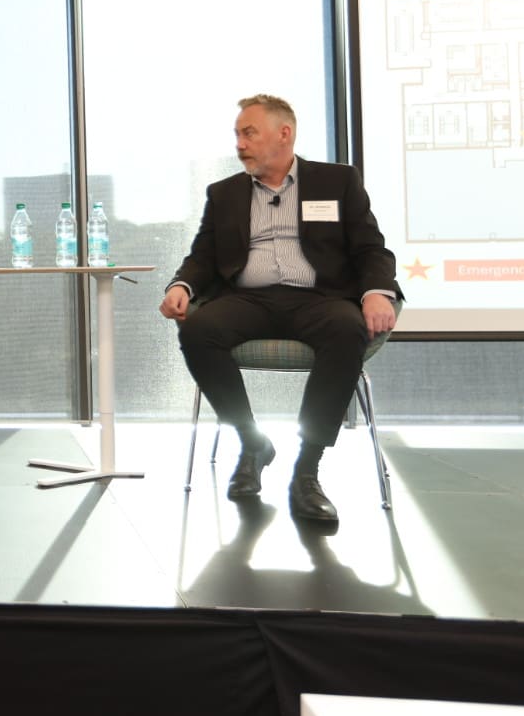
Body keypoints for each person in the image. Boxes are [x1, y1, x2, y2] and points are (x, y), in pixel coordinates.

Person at [160, 95, 401, 525]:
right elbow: (203, 257)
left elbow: (371, 249)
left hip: (320, 299)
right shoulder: (225, 194)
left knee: (346, 330)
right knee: (197, 331)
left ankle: (307, 471)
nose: (239, 144)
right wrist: (181, 285)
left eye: (249, 133)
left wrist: (376, 292)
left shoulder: (337, 182)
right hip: (248, 301)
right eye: (237, 134)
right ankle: (253, 443)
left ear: (284, 134)